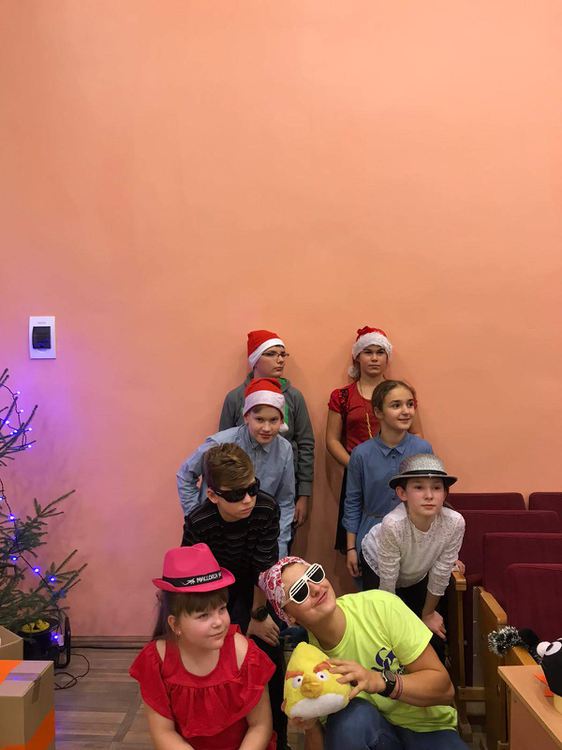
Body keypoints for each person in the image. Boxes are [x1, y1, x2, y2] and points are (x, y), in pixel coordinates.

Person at [259, 557, 469, 750]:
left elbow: (444, 689)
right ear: (289, 616)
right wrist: (311, 726)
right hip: (371, 734)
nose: (315, 588)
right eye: (299, 592)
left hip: (427, 727)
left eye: (314, 574)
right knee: (349, 721)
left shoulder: (380, 606)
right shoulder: (310, 661)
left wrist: (380, 681)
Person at [182, 443, 288, 749]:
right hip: (213, 594)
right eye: (236, 495)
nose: (248, 500)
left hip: (256, 588)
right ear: (213, 495)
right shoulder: (199, 521)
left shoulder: (266, 508)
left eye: (252, 489)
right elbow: (195, 580)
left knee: (268, 654)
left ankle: (278, 740)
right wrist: (222, 623)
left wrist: (258, 616)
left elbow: (264, 569)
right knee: (218, 657)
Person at [129, 544, 276, 750]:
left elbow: (260, 726)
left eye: (222, 608)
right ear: (175, 624)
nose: (218, 622)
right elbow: (163, 732)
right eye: (203, 615)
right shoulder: (157, 661)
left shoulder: (244, 654)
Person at [326, 326, 422, 553]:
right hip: (358, 471)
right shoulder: (342, 396)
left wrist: (405, 469)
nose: (374, 358)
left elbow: (417, 433)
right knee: (360, 538)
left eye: (380, 352)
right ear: (357, 357)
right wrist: (357, 466)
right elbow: (332, 440)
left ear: (387, 357)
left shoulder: (401, 393)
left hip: (399, 473)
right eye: (368, 352)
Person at [361, 454, 465, 662]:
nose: (429, 495)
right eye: (419, 487)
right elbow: (388, 584)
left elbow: (441, 573)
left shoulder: (455, 522)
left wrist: (428, 614)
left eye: (436, 488)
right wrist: (394, 626)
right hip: (379, 566)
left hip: (417, 569)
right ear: (402, 493)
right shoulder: (393, 524)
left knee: (428, 631)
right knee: (385, 628)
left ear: (445, 493)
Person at [177, 377, 295, 556]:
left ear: (281, 420)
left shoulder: (284, 449)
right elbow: (185, 475)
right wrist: (197, 515)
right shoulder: (219, 443)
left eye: (273, 420)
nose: (266, 428)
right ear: (246, 416)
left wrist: (280, 546)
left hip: (256, 536)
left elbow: (285, 500)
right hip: (216, 534)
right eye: (259, 419)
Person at [220, 329, 314, 531]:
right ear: (255, 359)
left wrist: (303, 494)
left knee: (277, 542)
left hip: (281, 492)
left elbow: (306, 445)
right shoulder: (235, 398)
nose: (280, 360)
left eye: (283, 354)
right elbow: (222, 453)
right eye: (271, 354)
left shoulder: (294, 397)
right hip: (238, 495)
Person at [343, 380, 432, 581]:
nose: (406, 411)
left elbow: (433, 498)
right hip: (372, 537)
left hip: (414, 539)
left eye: (410, 404)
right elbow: (353, 502)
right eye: (396, 405)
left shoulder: (422, 449)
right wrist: (350, 548)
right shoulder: (361, 454)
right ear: (378, 412)